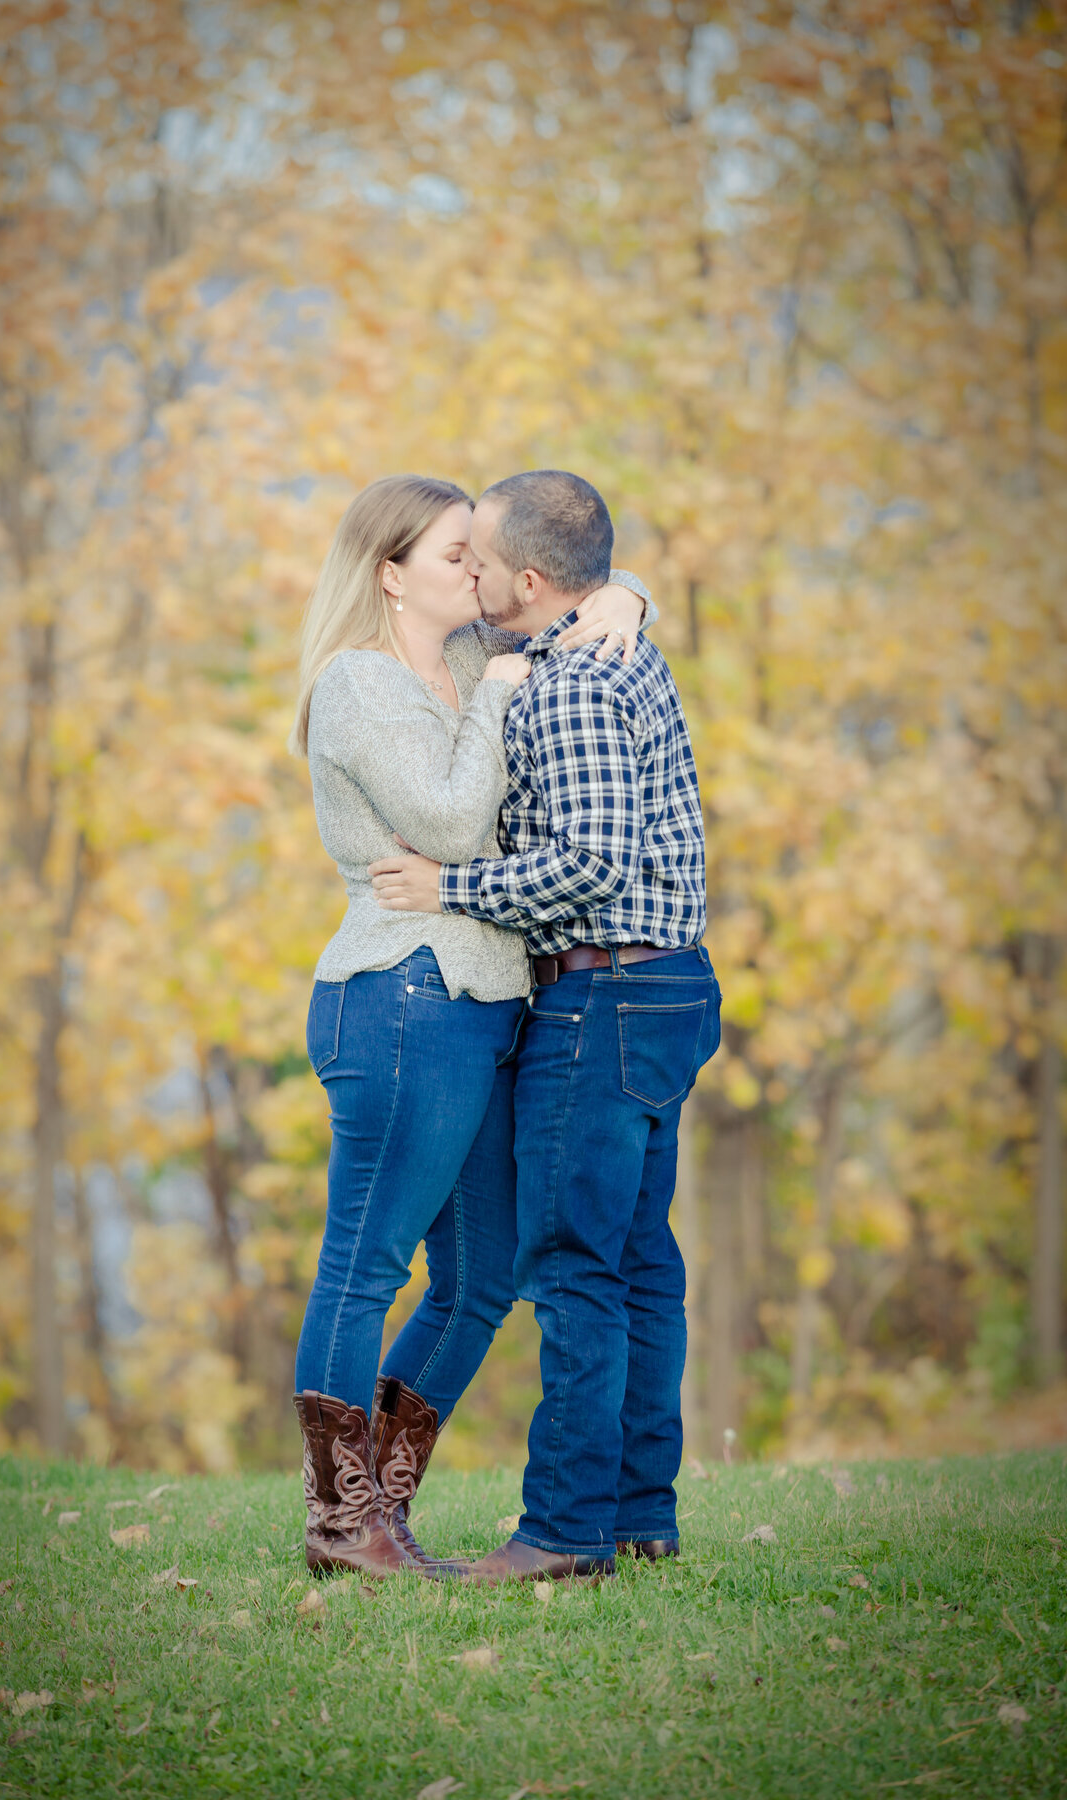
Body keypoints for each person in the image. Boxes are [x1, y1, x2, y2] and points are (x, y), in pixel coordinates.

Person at [289, 473, 652, 1577]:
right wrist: (496, 689)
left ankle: (384, 1508)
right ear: (390, 573)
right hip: (401, 999)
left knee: (483, 1277)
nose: (479, 574)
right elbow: (449, 818)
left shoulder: (462, 658)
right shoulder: (357, 687)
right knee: (365, 1263)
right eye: (456, 556)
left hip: (488, 1006)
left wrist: (629, 591)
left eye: (479, 556)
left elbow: (576, 597)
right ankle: (342, 1521)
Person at [370, 470, 720, 1584]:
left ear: (527, 579)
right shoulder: (608, 640)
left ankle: (564, 1532)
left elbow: (591, 863)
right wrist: (632, 595)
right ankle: (636, 1512)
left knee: (573, 1265)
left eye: (479, 560)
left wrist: (449, 890)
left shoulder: (568, 685)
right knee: (638, 1260)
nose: (465, 572)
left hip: (604, 994)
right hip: (666, 989)